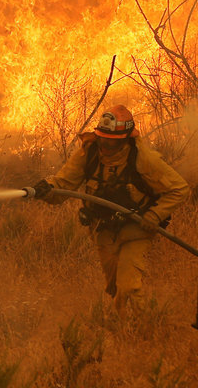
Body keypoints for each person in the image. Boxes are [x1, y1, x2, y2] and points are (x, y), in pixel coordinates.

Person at [26, 104, 189, 310]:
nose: (105, 145)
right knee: (114, 287)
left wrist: (155, 215)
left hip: (135, 229)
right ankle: (121, 328)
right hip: (103, 230)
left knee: (128, 288)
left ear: (125, 140)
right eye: (103, 138)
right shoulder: (90, 153)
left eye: (112, 142)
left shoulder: (142, 158)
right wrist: (46, 189)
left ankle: (142, 330)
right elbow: (64, 184)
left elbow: (180, 189)